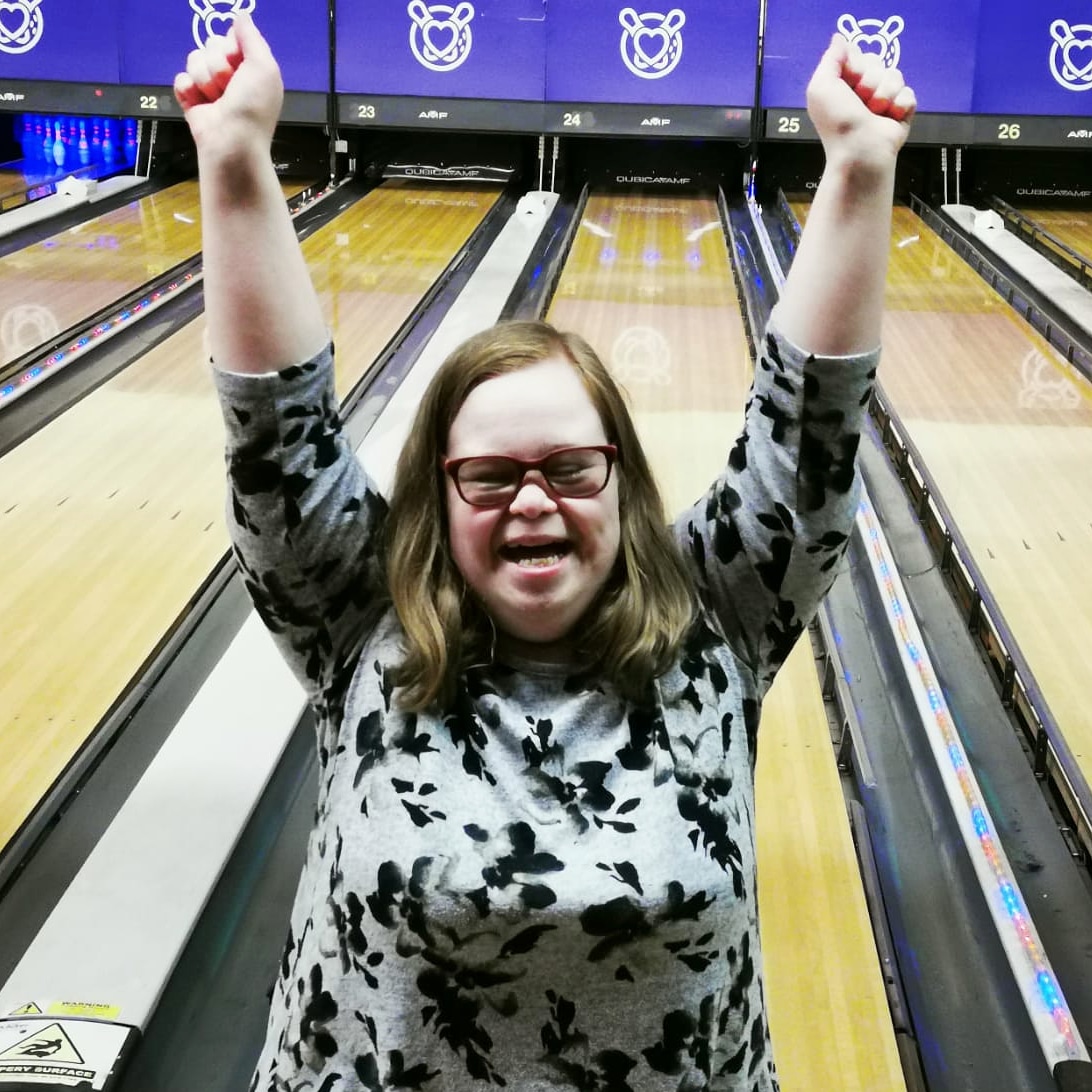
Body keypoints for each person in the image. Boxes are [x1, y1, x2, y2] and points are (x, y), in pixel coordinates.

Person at [176, 18, 914, 1092]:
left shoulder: (718, 617)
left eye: (571, 469)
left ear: (619, 480)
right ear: (441, 490)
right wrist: (236, 155)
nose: (534, 501)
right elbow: (276, 435)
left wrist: (857, 168)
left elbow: (809, 430)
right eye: (491, 475)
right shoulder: (360, 610)